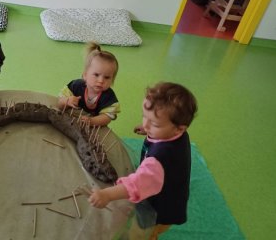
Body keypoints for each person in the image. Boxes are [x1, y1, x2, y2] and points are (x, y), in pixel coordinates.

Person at [88, 82, 198, 239]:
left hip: (157, 208)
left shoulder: (158, 161)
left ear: (180, 128)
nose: (146, 124)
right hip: (171, 193)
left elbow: (136, 185)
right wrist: (151, 127)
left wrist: (106, 195)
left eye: (153, 123)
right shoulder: (176, 133)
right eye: (145, 116)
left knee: (140, 233)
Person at [58, 42, 120, 126]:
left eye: (107, 77)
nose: (101, 80)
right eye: (96, 75)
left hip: (94, 127)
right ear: (85, 75)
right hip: (70, 120)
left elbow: (107, 117)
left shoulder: (108, 96)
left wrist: (92, 121)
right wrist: (66, 101)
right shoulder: (75, 86)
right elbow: (59, 103)